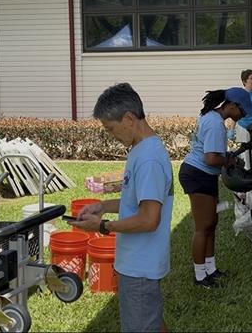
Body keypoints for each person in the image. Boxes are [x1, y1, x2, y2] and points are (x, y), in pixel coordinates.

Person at [69, 83, 173, 333]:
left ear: (129, 118)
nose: (110, 135)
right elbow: (137, 201)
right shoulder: (140, 149)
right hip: (138, 262)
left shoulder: (149, 159)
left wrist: (103, 226)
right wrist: (102, 206)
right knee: (152, 322)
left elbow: (149, 219)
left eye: (110, 128)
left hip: (140, 267)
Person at [179, 87, 252, 288]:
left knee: (212, 223)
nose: (243, 115)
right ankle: (200, 277)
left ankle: (211, 269)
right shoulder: (215, 124)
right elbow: (211, 158)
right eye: (242, 111)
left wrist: (226, 157)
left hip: (203, 174)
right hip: (197, 174)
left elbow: (212, 153)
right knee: (203, 227)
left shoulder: (212, 117)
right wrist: (228, 161)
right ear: (231, 106)